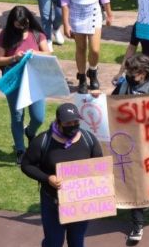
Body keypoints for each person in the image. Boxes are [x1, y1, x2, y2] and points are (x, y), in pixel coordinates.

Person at [107, 54, 149, 243]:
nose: (129, 75)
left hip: (148, 142)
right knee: (133, 179)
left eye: (133, 72)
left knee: (142, 180)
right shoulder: (125, 84)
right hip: (127, 141)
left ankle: (139, 219)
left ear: (143, 73)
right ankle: (137, 223)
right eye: (128, 71)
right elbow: (111, 102)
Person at [21, 103, 103, 247]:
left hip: (80, 204)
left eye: (76, 122)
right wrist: (47, 178)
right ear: (58, 122)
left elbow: (99, 166)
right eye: (68, 123)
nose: (72, 126)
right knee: (53, 242)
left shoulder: (88, 139)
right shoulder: (43, 141)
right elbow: (26, 165)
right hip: (53, 203)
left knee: (77, 242)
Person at [0, 6, 52, 163]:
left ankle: (30, 131)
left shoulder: (37, 34)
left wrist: (34, 53)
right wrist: (14, 58)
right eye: (19, 24)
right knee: (17, 115)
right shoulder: (4, 35)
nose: (22, 27)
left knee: (39, 117)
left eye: (24, 23)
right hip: (14, 80)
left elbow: (48, 53)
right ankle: (20, 150)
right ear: (12, 22)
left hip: (35, 80)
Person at [61, 0, 113, 93]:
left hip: (94, 12)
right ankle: (82, 77)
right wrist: (66, 24)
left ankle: (93, 71)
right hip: (76, 13)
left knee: (95, 49)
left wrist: (109, 14)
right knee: (81, 48)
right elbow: (64, 0)